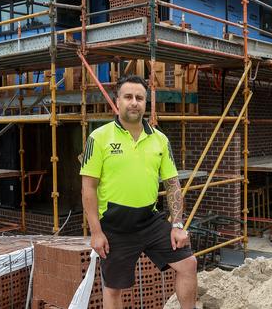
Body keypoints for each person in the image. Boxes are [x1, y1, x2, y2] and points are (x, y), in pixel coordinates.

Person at [80, 75, 197, 309]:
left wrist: (177, 225)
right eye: (128, 97)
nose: (134, 102)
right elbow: (88, 188)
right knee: (113, 289)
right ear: (118, 101)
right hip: (114, 225)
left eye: (140, 98)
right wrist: (96, 232)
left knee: (188, 264)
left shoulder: (160, 140)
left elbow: (172, 184)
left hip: (149, 221)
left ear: (146, 103)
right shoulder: (99, 137)